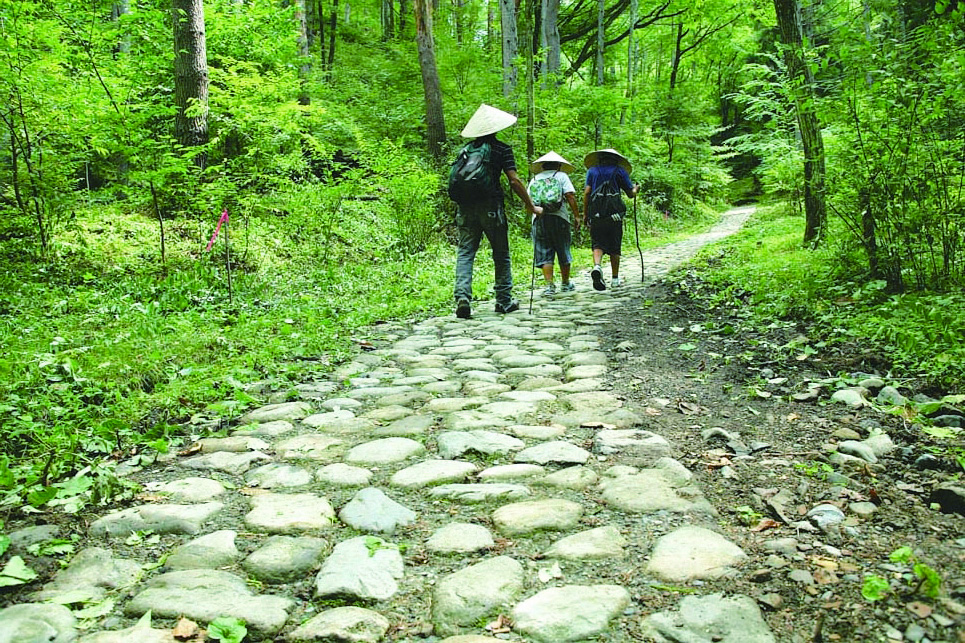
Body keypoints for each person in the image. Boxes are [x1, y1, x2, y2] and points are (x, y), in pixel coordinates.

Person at [451, 104, 542, 318]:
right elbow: (514, 181)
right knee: (501, 254)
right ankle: (503, 300)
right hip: (491, 207)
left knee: (465, 252)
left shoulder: (465, 150)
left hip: (465, 207)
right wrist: (530, 205)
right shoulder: (501, 149)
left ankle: (463, 297)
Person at [582, 148, 639, 291]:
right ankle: (615, 279)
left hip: (596, 214)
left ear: (600, 158)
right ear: (616, 159)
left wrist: (585, 214)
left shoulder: (592, 171)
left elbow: (587, 193)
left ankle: (597, 266)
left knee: (597, 243)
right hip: (615, 215)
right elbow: (630, 193)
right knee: (615, 245)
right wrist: (636, 189)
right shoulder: (619, 171)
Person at [527, 151, 580, 295]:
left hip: (539, 218)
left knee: (544, 252)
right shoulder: (561, 176)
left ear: (542, 166)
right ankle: (565, 283)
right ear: (558, 165)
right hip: (559, 218)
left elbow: (528, 201)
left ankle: (549, 285)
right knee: (563, 249)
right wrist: (577, 216)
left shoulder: (535, 179)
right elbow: (570, 196)